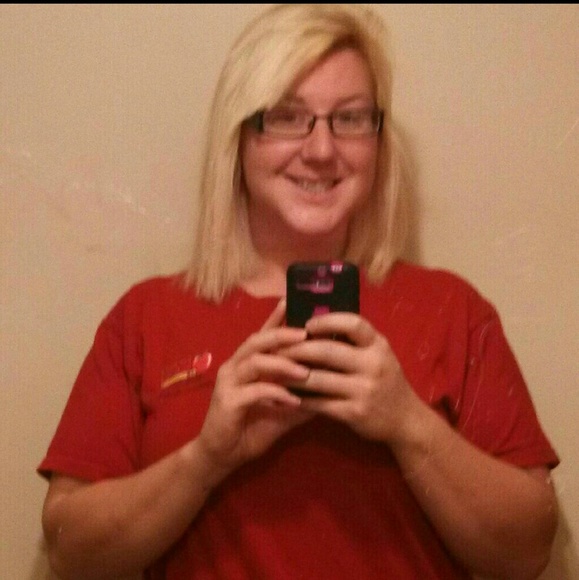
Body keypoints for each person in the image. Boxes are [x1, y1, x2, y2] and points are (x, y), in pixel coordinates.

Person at [38, 4, 559, 579]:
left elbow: (527, 551)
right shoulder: (147, 317)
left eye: (350, 118)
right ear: (240, 137)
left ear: (378, 143)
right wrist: (206, 458)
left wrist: (407, 423)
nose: (320, 150)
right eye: (287, 117)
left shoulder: (452, 311)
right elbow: (70, 551)